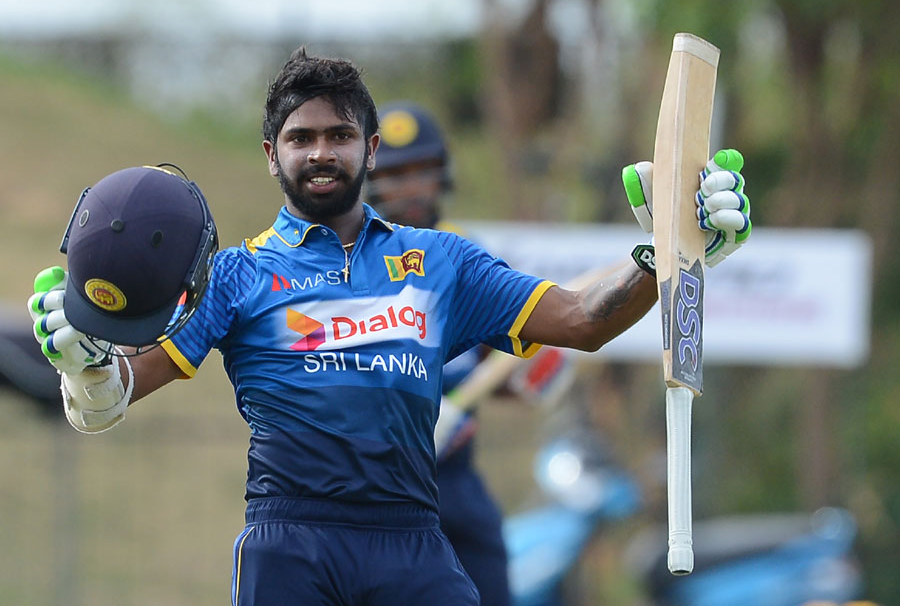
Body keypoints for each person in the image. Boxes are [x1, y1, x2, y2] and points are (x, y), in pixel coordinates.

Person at [27, 46, 751, 605]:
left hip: (410, 537)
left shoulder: (441, 263)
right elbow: (115, 393)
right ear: (271, 154)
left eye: (339, 135)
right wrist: (84, 364)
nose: (319, 152)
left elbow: (584, 321)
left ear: (369, 149)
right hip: (290, 540)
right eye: (301, 137)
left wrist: (667, 255)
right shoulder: (237, 274)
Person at [366, 101, 512, 606]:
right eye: (394, 174)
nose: (409, 187)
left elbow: (512, 369)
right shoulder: (346, 261)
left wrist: (533, 373)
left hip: (455, 483)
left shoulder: (469, 254)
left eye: (420, 171)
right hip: (370, 490)